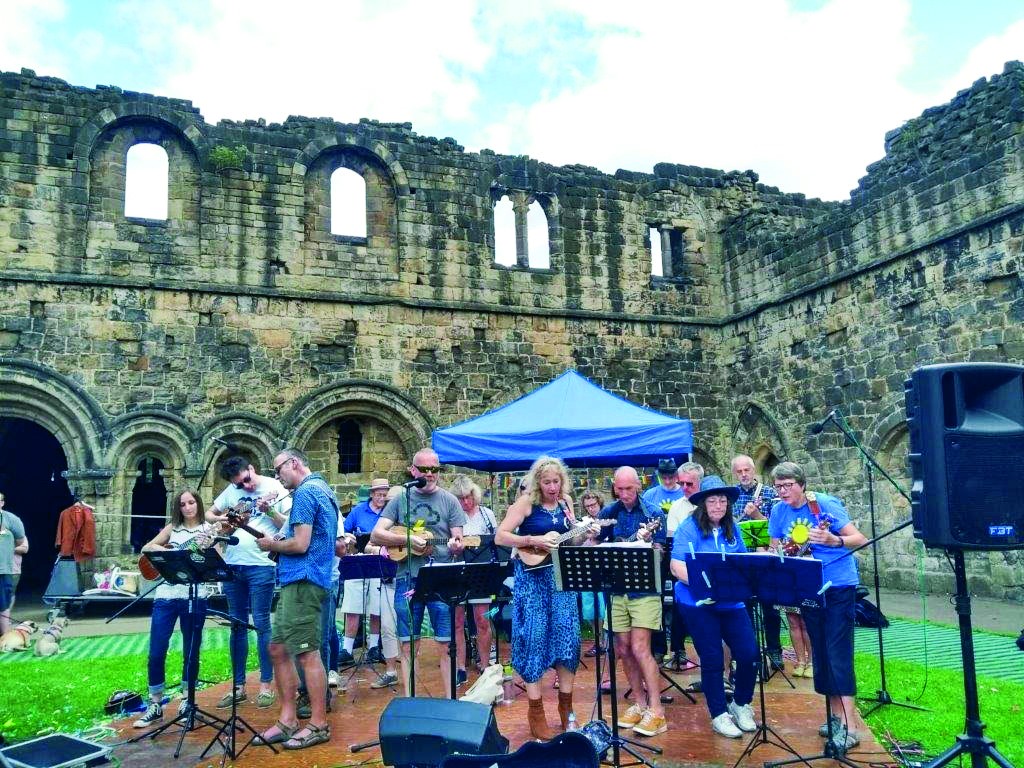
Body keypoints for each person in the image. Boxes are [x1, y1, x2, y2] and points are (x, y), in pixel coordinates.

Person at [768, 462, 867, 753]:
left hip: (837, 585)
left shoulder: (822, 504)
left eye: (788, 485)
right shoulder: (778, 511)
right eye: (778, 486)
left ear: (801, 484)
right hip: (807, 585)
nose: (783, 491)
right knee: (821, 652)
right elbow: (776, 546)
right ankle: (835, 717)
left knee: (838, 651)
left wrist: (833, 540)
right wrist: (781, 552)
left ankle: (851, 725)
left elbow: (859, 539)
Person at [495, 455, 589, 740]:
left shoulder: (567, 503)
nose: (552, 486)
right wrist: (531, 540)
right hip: (533, 582)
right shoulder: (525, 504)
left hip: (561, 579)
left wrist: (585, 533)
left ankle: (566, 709)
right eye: (547, 481)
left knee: (568, 640)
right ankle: (535, 711)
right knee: (534, 639)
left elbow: (572, 541)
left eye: (556, 481)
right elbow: (500, 536)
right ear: (538, 482)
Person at [255, 448, 341, 751]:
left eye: (279, 470)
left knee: (306, 653)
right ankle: (288, 719)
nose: (277, 477)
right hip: (298, 580)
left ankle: (318, 724)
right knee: (278, 648)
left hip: (304, 581)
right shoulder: (322, 490)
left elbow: (301, 544)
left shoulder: (306, 493)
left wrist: (270, 544)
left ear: (294, 463)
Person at [371, 448, 465, 699]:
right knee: (408, 643)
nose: (430, 474)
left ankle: (449, 700)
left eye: (434, 469)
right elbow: (376, 534)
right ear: (413, 471)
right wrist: (409, 539)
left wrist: (458, 546)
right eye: (424, 469)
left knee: (445, 643)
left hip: (440, 578)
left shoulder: (449, 501)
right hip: (406, 577)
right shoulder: (400, 499)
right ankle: (410, 700)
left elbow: (458, 541)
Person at [670, 476, 759, 739]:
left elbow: (741, 562)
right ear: (703, 504)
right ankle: (719, 714)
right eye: (713, 500)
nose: (719, 505)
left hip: (731, 602)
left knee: (749, 654)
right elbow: (677, 567)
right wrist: (707, 586)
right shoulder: (689, 527)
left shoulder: (734, 529)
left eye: (723, 500)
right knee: (711, 658)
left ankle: (741, 703)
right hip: (698, 603)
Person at [207, 456, 290, 710]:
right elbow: (210, 514)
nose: (246, 486)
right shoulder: (232, 491)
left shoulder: (276, 488)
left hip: (261, 565)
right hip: (234, 565)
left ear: (252, 469)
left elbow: (287, 525)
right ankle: (238, 686)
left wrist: (269, 510)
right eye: (239, 485)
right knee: (236, 625)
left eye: (247, 479)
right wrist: (224, 520)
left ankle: (266, 685)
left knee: (262, 623)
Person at [597, 467, 668, 737]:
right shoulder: (610, 513)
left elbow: (660, 555)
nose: (625, 494)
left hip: (644, 591)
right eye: (620, 489)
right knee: (623, 649)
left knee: (641, 648)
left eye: (630, 488)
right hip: (617, 590)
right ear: (614, 487)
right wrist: (591, 535)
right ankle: (638, 703)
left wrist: (648, 545)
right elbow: (595, 545)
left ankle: (657, 710)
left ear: (639, 486)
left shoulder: (653, 513)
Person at [133, 490, 214, 727]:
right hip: (166, 596)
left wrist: (207, 549)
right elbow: (147, 549)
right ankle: (155, 703)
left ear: (198, 504)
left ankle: (187, 700)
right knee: (156, 651)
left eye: (191, 503)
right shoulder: (172, 529)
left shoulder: (207, 531)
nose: (188, 508)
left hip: (194, 596)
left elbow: (214, 563)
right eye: (183, 504)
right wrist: (169, 553)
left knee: (191, 651)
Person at [730, 454, 784, 671]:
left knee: (770, 607)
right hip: (742, 559)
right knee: (746, 607)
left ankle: (774, 651)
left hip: (765, 559)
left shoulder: (769, 493)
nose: (743, 475)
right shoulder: (731, 496)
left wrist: (757, 513)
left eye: (747, 470)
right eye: (739, 471)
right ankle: (750, 653)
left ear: (754, 471)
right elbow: (728, 527)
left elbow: (775, 528)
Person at [450, 474, 499, 682]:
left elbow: (497, 542)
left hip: (481, 572)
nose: (466, 502)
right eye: (461, 498)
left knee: (483, 620)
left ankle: (485, 663)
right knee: (457, 622)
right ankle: (460, 666)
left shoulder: (487, 515)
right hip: (457, 570)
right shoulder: (452, 515)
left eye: (468, 497)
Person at [339, 478, 390, 669]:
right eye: (379, 494)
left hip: (380, 563)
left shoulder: (389, 512)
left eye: (385, 495)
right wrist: (349, 538)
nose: (382, 498)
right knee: (352, 606)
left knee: (377, 607)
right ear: (372, 494)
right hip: (358, 562)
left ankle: (374, 647)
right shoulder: (359, 511)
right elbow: (344, 531)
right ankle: (347, 650)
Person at [665, 462, 703, 671]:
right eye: (682, 483)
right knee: (680, 611)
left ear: (700, 482)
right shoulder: (677, 507)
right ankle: (678, 651)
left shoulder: (709, 503)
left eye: (690, 483)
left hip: (706, 567)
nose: (685, 488)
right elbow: (671, 542)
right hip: (683, 567)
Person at [579, 490, 607, 660]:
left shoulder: (606, 519)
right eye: (587, 506)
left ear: (600, 503)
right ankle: (598, 640)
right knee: (589, 608)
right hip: (587, 568)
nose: (591, 509)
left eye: (593, 505)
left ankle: (606, 641)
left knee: (603, 607)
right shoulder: (583, 523)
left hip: (603, 567)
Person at [0, 493, 28, 634]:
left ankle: (4, 636)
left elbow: (22, 544)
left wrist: (7, 547)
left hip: (7, 569)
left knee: (5, 601)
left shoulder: (11, 520)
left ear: (2, 503)